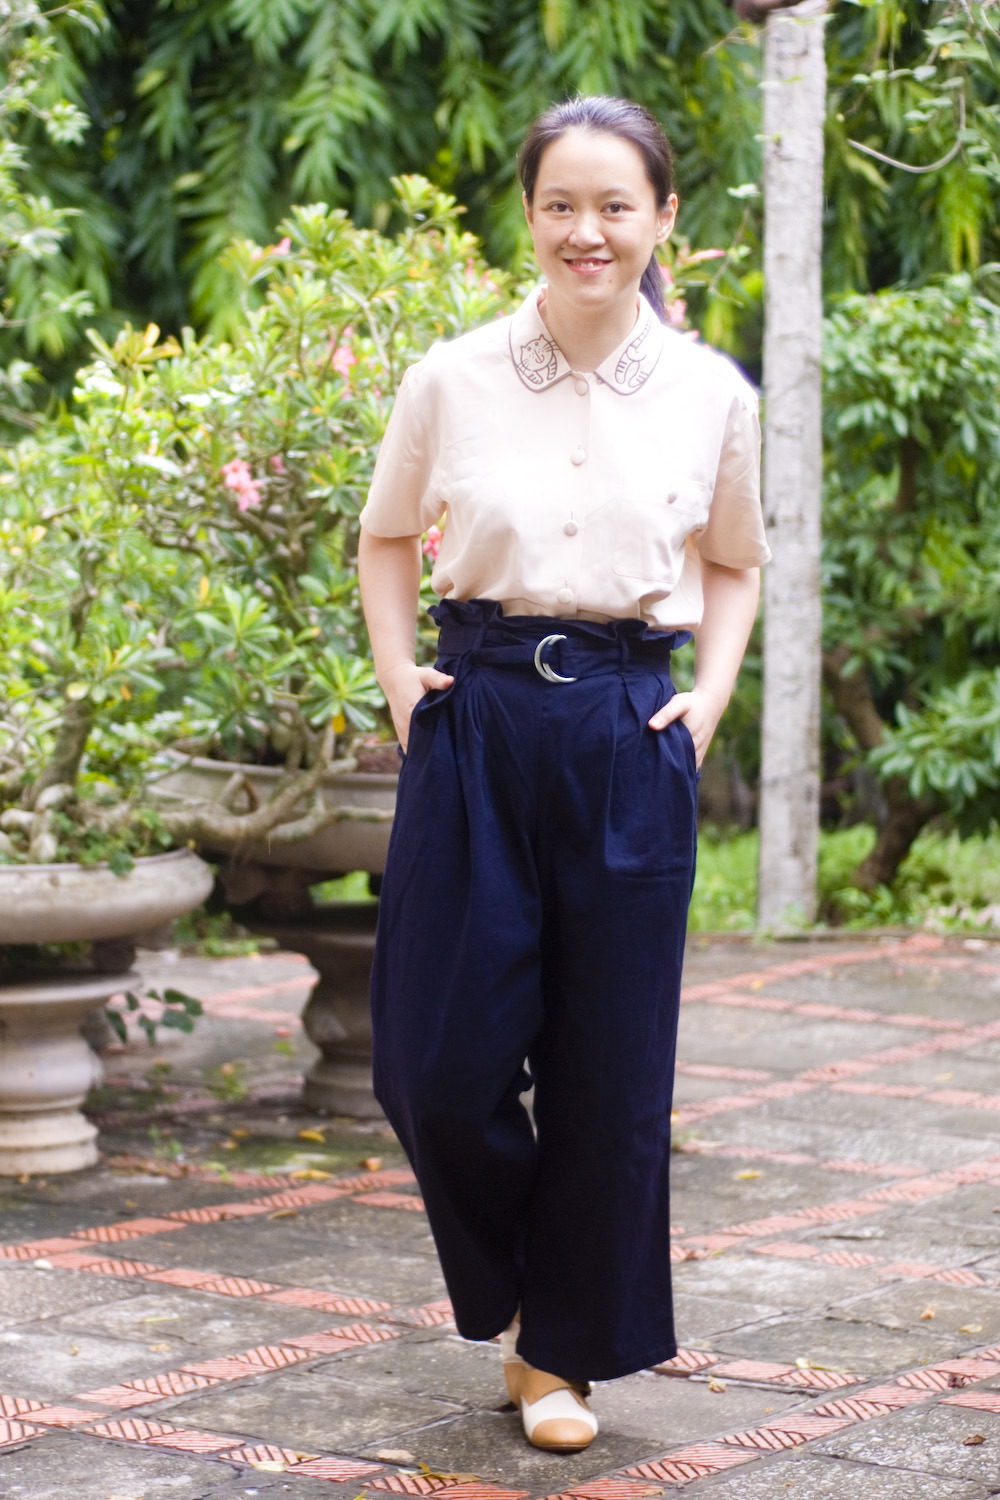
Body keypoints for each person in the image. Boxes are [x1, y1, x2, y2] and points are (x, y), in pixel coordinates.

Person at [358, 94, 770, 1454]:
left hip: (625, 730)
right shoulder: (452, 377)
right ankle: (530, 1291)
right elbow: (386, 537)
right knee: (431, 1065)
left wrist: (709, 696)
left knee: (610, 1072)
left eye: (615, 206)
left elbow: (735, 560)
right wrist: (399, 679)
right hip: (474, 719)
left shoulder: (711, 395)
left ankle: (557, 1353)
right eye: (560, 205)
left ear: (663, 219)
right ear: (529, 215)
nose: (586, 231)